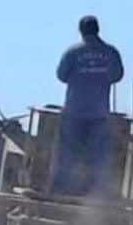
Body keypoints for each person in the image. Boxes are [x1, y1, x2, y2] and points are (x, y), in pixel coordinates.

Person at [53, 15, 124, 197]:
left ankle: (64, 191)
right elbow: (117, 75)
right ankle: (98, 192)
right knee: (98, 156)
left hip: (74, 114)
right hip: (99, 115)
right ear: (98, 29)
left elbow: (61, 75)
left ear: (80, 31)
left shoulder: (73, 52)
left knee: (68, 154)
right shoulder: (111, 53)